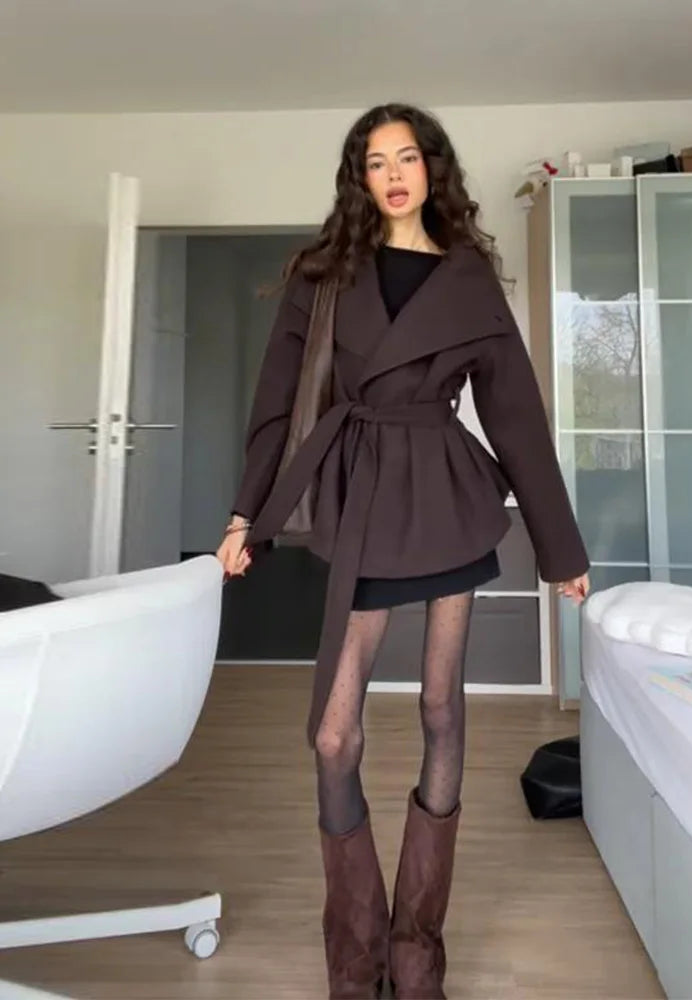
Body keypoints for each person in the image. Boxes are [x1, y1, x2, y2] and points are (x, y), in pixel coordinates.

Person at [216, 103, 590, 1000]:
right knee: (333, 732)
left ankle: (417, 950)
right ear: (359, 177)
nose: (392, 174)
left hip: (446, 493)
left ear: (433, 170)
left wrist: (560, 547)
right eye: (375, 161)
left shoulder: (467, 276)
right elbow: (277, 403)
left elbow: (515, 417)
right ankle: (356, 956)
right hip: (361, 494)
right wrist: (244, 512)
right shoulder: (323, 274)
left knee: (439, 706)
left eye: (407, 157)